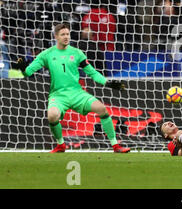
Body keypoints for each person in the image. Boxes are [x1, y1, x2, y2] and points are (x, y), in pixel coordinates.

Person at [16, 23, 130, 153]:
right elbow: (28, 72)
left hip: (77, 93)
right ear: (56, 37)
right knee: (52, 116)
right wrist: (23, 68)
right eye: (63, 34)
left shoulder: (77, 53)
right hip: (58, 95)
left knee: (102, 109)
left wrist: (108, 83)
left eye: (68, 34)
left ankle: (115, 146)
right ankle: (60, 145)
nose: (66, 37)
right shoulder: (46, 54)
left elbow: (92, 73)